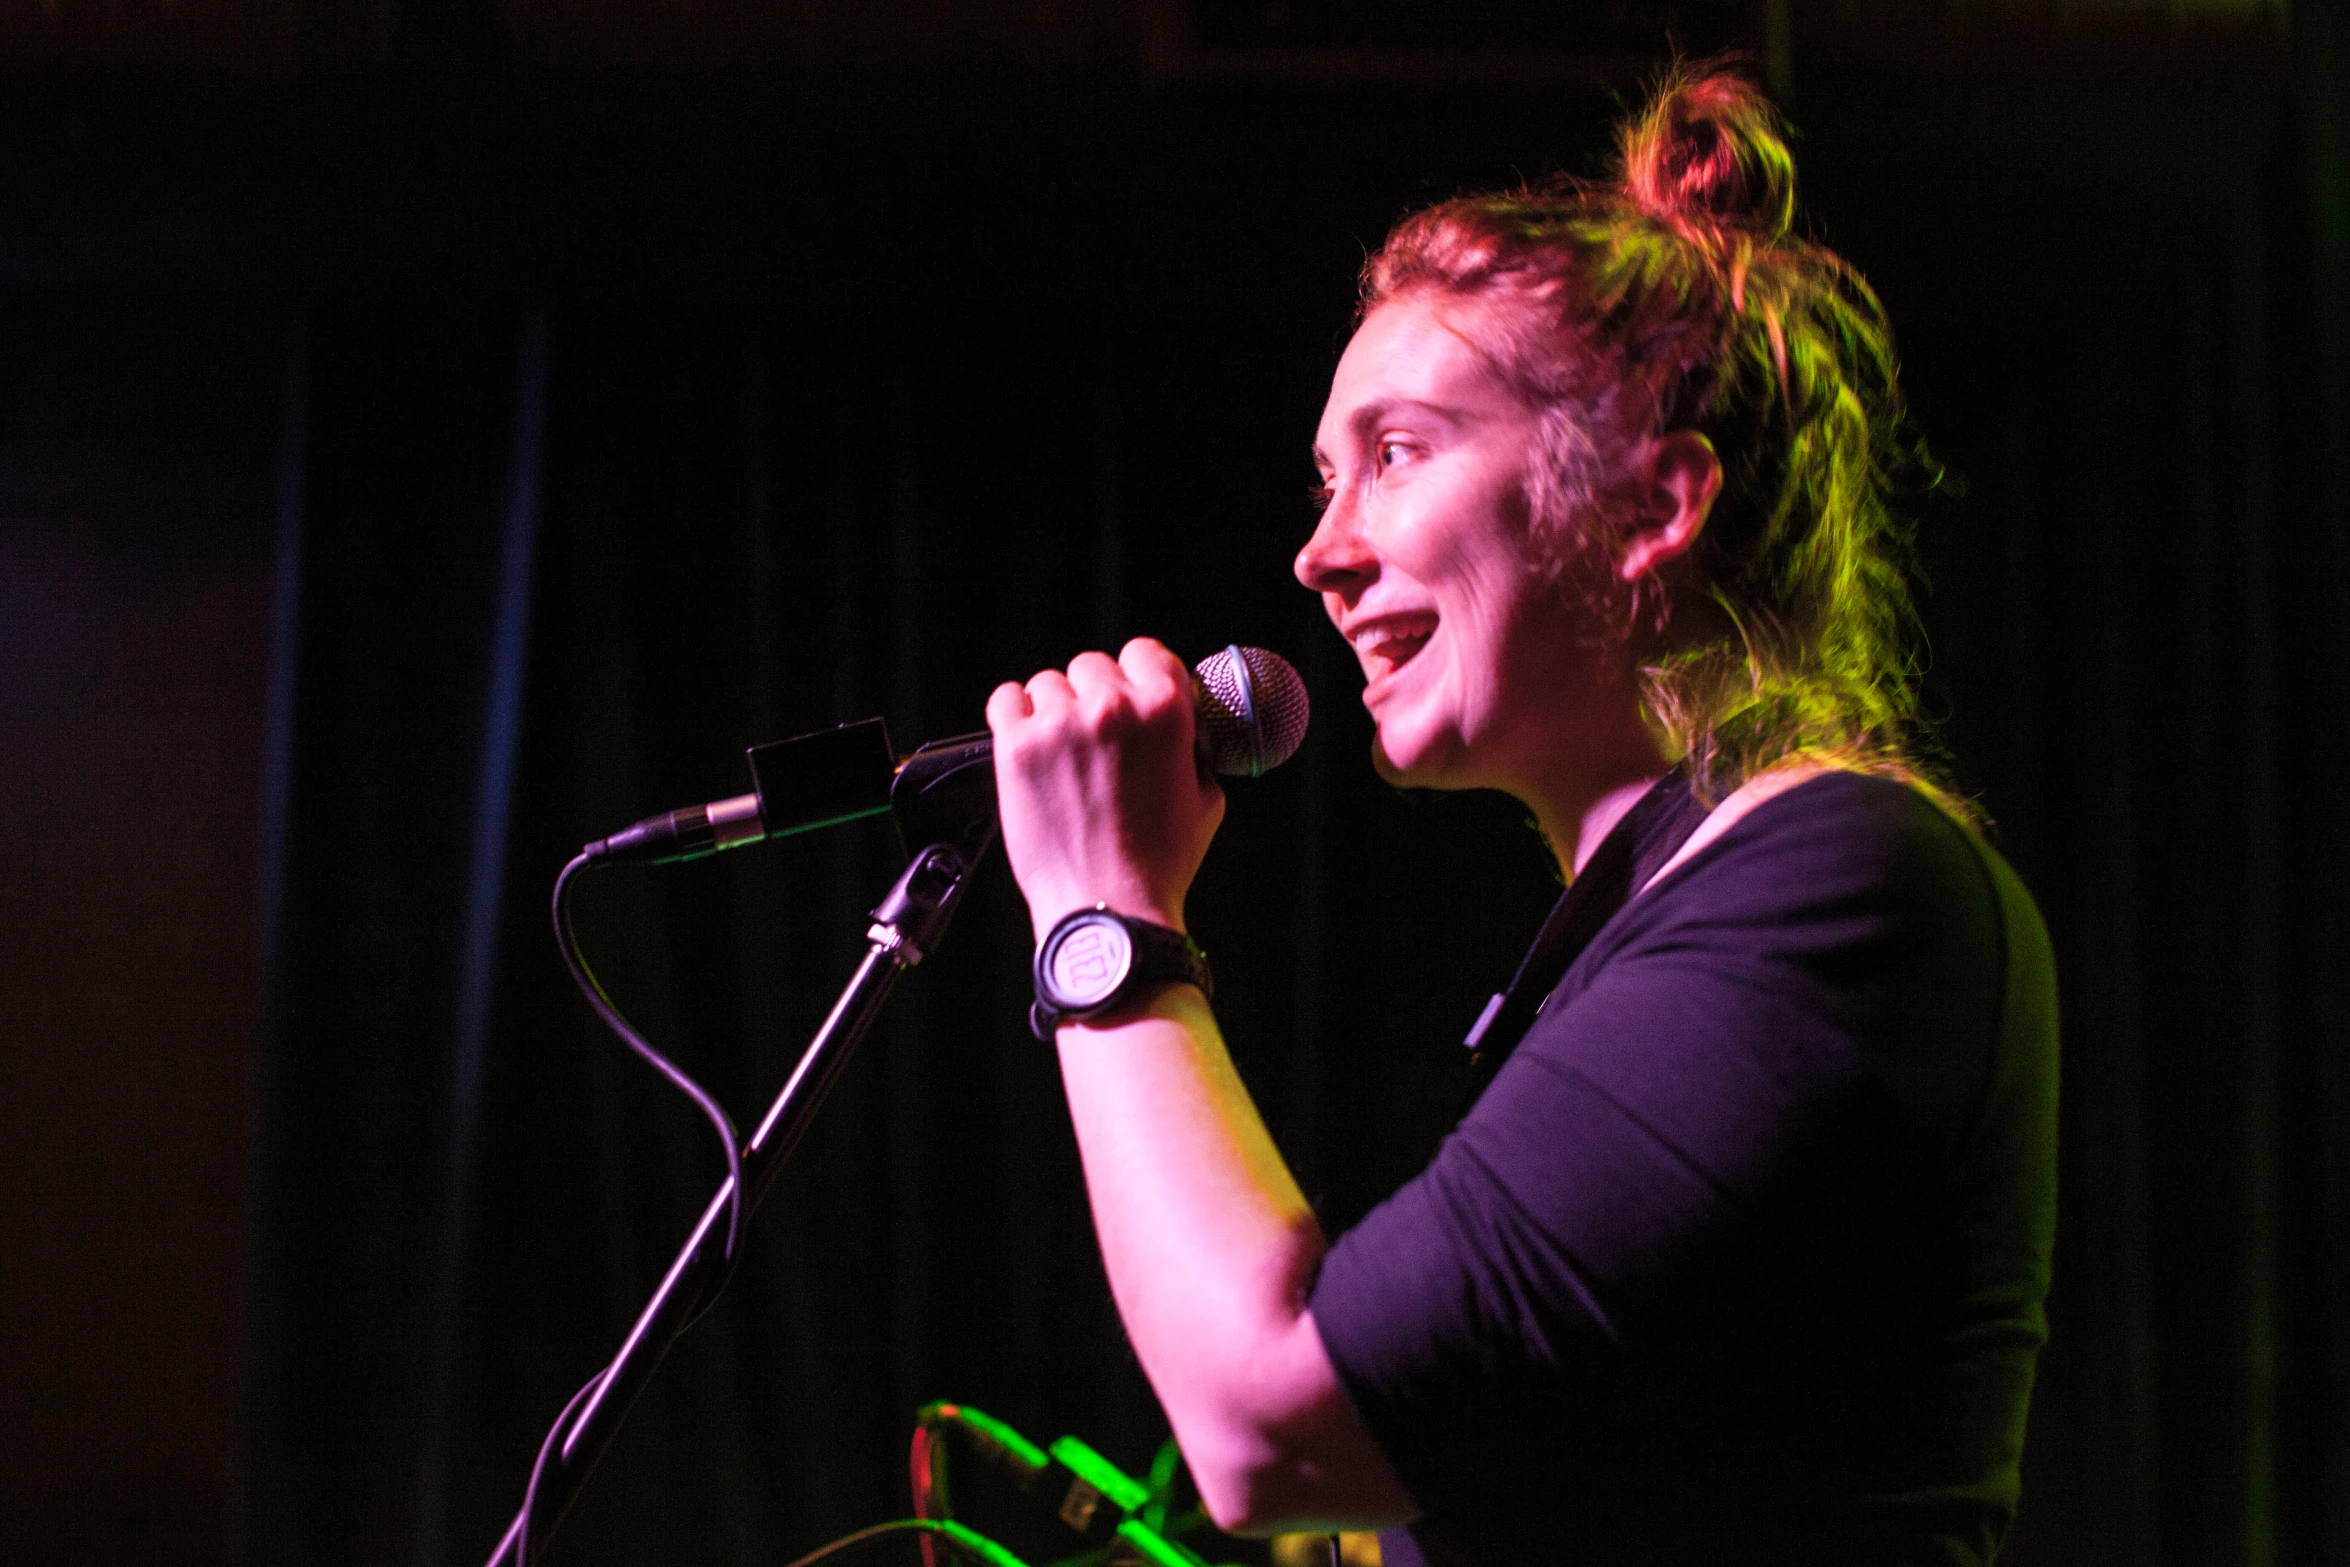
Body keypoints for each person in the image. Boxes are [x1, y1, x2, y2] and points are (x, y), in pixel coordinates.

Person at [984, 65, 2057, 1567]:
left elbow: (1266, 1423)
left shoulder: (1841, 883)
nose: (1318, 554)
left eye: (1396, 454)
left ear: (1652, 507)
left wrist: (1104, 915)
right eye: (1320, 478)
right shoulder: (1651, 934)